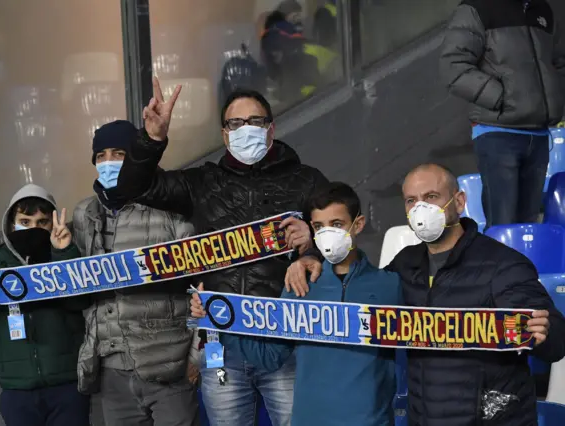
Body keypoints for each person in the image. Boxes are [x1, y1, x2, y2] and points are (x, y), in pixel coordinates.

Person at [0, 120, 200, 426]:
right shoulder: (86, 214)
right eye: (101, 156)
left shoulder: (171, 212)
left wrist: (195, 357)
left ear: (137, 156)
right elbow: (40, 237)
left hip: (166, 364)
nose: (108, 162)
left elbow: (200, 283)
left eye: (119, 153)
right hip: (111, 368)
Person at [116, 80, 328, 426]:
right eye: (235, 123)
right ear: (224, 134)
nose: (245, 130)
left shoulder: (306, 180)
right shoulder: (202, 183)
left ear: (271, 129)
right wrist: (151, 139)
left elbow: (344, 234)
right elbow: (131, 188)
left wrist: (314, 241)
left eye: (255, 122)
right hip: (220, 343)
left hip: (286, 342)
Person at [285, 163, 565, 425]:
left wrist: (545, 331)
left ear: (459, 202)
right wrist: (311, 257)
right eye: (411, 200)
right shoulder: (405, 263)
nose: (420, 208)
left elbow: (554, 341)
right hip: (425, 416)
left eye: (430, 197)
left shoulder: (502, 264)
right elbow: (363, 287)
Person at [191, 182, 400, 426]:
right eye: (319, 226)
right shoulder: (300, 285)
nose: (327, 234)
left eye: (337, 224)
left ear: (359, 225)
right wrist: (219, 321)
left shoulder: (390, 286)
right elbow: (271, 356)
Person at [0, 184, 90, 426]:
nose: (33, 229)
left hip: (67, 387)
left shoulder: (64, 257)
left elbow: (81, 301)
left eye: (42, 222)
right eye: (25, 221)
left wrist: (64, 254)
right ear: (10, 224)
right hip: (17, 392)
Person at [439, 0, 565, 229]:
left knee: (529, 225)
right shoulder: (477, 8)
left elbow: (558, 63)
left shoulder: (542, 10)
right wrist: (503, 98)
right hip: (497, 134)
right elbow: (453, 66)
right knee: (503, 223)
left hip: (538, 133)